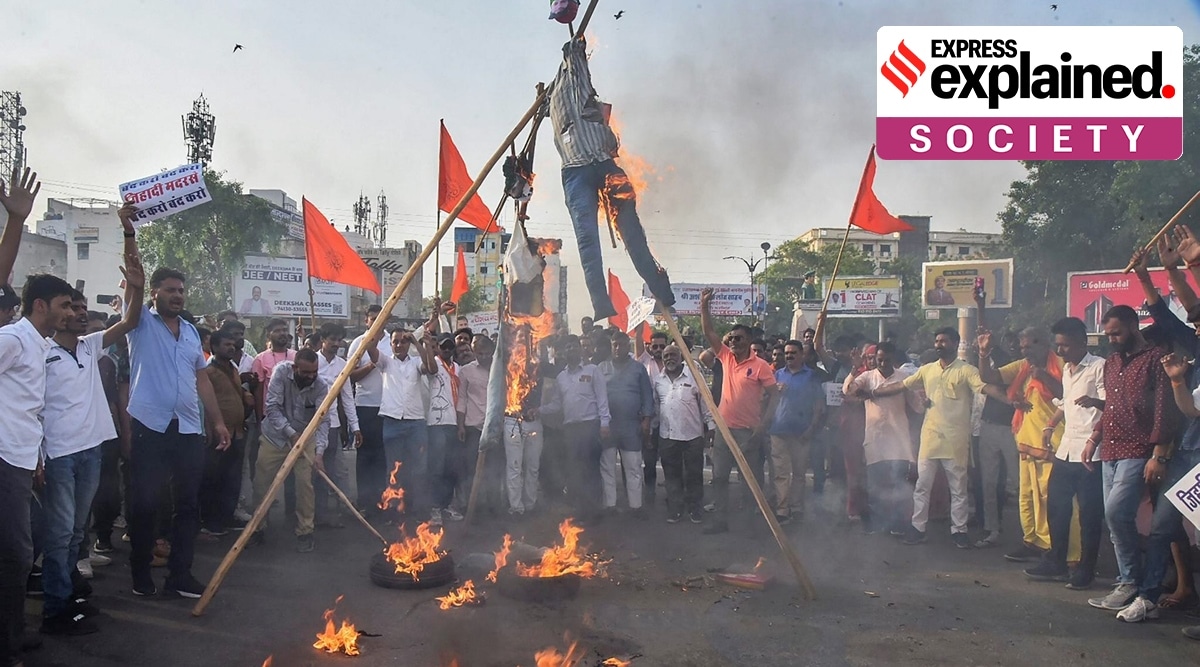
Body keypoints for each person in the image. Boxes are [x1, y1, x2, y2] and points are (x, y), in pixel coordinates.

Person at [37, 209, 143, 634]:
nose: (79, 313)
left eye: (82, 308)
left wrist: (135, 281)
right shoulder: (39, 353)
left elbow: (130, 320)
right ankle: (56, 610)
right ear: (53, 313)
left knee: (76, 530)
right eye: (70, 307)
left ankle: (72, 595)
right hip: (60, 456)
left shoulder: (90, 345)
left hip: (91, 451)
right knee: (61, 533)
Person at [548, 34, 675, 321]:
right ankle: (601, 304)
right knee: (588, 239)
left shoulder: (574, 80)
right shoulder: (558, 90)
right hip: (576, 171)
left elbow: (574, 50)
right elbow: (573, 50)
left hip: (602, 166)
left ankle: (660, 290)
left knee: (629, 231)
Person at [126, 267, 231, 598]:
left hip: (187, 428)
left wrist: (216, 421)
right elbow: (131, 296)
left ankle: (180, 576)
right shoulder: (138, 321)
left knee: (187, 505)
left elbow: (201, 379)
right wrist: (130, 239)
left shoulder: (189, 332)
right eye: (170, 289)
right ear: (155, 292)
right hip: (150, 426)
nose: (177, 295)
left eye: (181, 290)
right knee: (146, 503)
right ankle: (141, 574)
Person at [871, 327, 1014, 548]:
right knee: (922, 486)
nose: (939, 344)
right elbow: (901, 385)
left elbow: (985, 388)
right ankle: (918, 528)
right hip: (930, 438)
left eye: (944, 341)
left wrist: (1011, 401)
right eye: (937, 340)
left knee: (958, 489)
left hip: (955, 439)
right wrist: (873, 393)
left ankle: (959, 531)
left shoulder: (967, 370)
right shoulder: (927, 370)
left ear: (955, 344)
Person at [1081, 303, 1179, 622]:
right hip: (1110, 447)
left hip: (1140, 448)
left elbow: (1164, 409)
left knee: (1116, 512)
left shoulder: (1154, 360)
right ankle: (1129, 582)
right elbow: (1111, 405)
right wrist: (1094, 438)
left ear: (1133, 326)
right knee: (1116, 519)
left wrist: (1158, 454)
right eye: (1108, 334)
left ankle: (1130, 581)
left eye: (1117, 333)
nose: (1112, 339)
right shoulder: (1111, 363)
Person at [0, 272, 75, 660]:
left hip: (23, 456)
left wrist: (38, 457)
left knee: (29, 541)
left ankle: (12, 631)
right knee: (15, 551)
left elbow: (30, 406)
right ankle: (7, 641)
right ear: (40, 306)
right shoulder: (13, 339)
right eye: (63, 305)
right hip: (4, 456)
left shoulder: (37, 344)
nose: (69, 313)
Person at [978, 327, 1076, 563]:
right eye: (1022, 348)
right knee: (1027, 496)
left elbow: (1069, 397)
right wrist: (983, 354)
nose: (1025, 351)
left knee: (1048, 497)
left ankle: (1054, 547)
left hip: (1053, 442)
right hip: (1025, 440)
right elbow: (989, 378)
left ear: (1044, 344)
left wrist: (1044, 377)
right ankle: (1032, 541)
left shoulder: (1063, 365)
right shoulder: (1022, 366)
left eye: (1029, 346)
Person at [1023, 317, 1104, 590]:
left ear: (1082, 341)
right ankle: (1056, 561)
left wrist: (1096, 402)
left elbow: (1114, 404)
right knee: (1057, 507)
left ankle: (1085, 569)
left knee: (1090, 514)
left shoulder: (1099, 367)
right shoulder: (1068, 370)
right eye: (1057, 346)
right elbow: (1066, 402)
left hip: (1092, 452)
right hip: (1066, 448)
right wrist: (1051, 424)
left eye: (1065, 346)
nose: (1060, 352)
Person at [699, 288, 777, 534]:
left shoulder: (761, 366)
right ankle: (721, 521)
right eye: (731, 339)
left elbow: (775, 397)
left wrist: (762, 426)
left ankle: (751, 525)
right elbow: (709, 332)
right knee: (719, 477)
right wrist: (704, 306)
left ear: (749, 341)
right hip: (724, 431)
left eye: (739, 338)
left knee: (750, 482)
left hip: (748, 433)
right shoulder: (726, 358)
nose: (733, 342)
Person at [255, 350, 330, 553]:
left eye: (314, 371)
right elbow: (271, 408)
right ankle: (257, 527)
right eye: (306, 372)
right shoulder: (280, 372)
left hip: (305, 439)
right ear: (295, 367)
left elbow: (323, 420)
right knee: (262, 482)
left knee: (305, 484)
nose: (311, 376)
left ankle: (305, 530)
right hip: (275, 437)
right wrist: (290, 433)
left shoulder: (322, 386)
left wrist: (320, 452)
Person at [846, 342, 921, 535]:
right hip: (875, 441)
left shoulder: (904, 379)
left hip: (898, 442)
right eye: (879, 360)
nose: (882, 363)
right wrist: (854, 369)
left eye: (886, 360)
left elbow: (917, 406)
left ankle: (897, 523)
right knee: (876, 485)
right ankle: (879, 523)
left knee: (898, 484)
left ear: (893, 359)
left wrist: (925, 399)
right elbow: (848, 391)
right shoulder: (867, 377)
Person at [368, 327, 437, 523]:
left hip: (415, 422)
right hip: (392, 422)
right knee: (393, 470)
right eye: (395, 341)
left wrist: (418, 342)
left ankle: (417, 510)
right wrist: (381, 325)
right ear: (390, 344)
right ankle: (393, 511)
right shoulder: (385, 362)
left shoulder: (416, 362)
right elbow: (370, 348)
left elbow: (432, 368)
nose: (399, 345)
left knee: (418, 468)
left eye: (403, 341)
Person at [200, 329, 253, 537]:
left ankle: (227, 517)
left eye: (233, 344)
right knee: (214, 478)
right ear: (213, 347)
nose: (231, 347)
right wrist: (209, 429)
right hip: (219, 434)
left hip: (237, 432)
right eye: (226, 344)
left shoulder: (232, 368)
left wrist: (246, 393)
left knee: (232, 479)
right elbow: (204, 402)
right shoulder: (208, 371)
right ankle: (211, 521)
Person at [652, 344, 713, 523]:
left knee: (694, 474)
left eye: (673, 355)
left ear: (681, 357)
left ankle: (695, 509)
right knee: (672, 475)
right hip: (667, 436)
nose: (669, 359)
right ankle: (675, 510)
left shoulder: (694, 376)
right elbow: (657, 407)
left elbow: (706, 404)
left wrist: (711, 428)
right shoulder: (658, 380)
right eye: (666, 356)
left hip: (692, 436)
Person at [553, 334, 610, 523]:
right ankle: (579, 512)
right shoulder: (560, 377)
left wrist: (604, 423)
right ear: (563, 352)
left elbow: (602, 399)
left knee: (591, 470)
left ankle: (594, 512)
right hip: (571, 430)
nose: (571, 350)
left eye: (574, 346)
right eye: (567, 348)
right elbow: (557, 404)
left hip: (591, 426)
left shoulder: (593, 371)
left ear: (581, 349)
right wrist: (539, 410)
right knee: (575, 471)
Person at [598, 332, 654, 516]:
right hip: (608, 425)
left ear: (628, 346)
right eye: (614, 344)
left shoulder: (638, 369)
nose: (617, 348)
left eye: (621, 345)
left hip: (631, 425)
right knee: (607, 467)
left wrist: (646, 419)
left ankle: (635, 507)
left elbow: (647, 396)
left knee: (633, 466)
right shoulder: (601, 368)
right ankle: (610, 505)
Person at [767, 340, 822, 524]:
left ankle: (796, 507)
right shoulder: (777, 374)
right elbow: (767, 400)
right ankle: (782, 510)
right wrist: (775, 392)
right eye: (787, 353)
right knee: (781, 473)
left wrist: (812, 428)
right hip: (779, 430)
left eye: (793, 353)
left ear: (801, 355)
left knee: (799, 473)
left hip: (801, 432)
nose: (789, 356)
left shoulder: (811, 376)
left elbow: (818, 405)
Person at [313, 323, 361, 528]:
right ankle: (313, 514)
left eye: (338, 339)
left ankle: (337, 511)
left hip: (333, 424)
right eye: (331, 339)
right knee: (314, 472)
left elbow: (347, 398)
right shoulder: (311, 361)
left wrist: (355, 427)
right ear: (322, 339)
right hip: (311, 425)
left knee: (334, 471)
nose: (335, 343)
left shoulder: (343, 364)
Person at [347, 305, 392, 513]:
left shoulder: (393, 341)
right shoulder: (358, 343)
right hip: (365, 405)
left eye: (380, 318)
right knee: (365, 456)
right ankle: (365, 502)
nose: (375, 322)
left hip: (389, 406)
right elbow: (350, 376)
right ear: (366, 320)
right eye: (372, 318)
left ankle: (383, 502)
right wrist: (373, 364)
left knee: (384, 457)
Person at [456, 335, 503, 517]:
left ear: (492, 352)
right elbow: (462, 399)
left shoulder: (499, 370)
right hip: (473, 428)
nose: (483, 357)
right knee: (472, 470)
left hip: (494, 429)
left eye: (487, 353)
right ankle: (473, 509)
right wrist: (460, 425)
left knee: (494, 469)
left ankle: (494, 508)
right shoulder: (466, 371)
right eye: (479, 353)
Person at [428, 335, 464, 522]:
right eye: (444, 347)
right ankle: (434, 507)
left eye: (450, 347)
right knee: (436, 467)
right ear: (438, 348)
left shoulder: (457, 368)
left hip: (452, 422)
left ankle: (447, 504)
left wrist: (460, 424)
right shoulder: (432, 364)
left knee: (451, 467)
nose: (447, 350)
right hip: (435, 422)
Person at [634, 327, 668, 504]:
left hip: (669, 420)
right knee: (649, 459)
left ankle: (673, 495)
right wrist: (639, 326)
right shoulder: (645, 361)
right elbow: (638, 341)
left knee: (670, 460)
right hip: (649, 419)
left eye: (662, 346)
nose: (659, 350)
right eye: (655, 347)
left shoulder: (673, 363)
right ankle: (649, 493)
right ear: (650, 347)